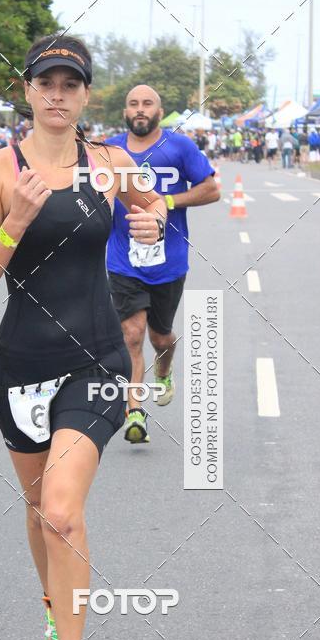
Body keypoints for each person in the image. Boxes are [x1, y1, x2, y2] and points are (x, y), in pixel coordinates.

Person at [0, 35, 166, 640]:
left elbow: (150, 201)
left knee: (62, 510)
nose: (57, 94)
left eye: (70, 84)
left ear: (85, 95)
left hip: (100, 358)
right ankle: (54, 615)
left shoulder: (108, 163)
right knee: (37, 506)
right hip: (20, 365)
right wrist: (16, 219)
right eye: (45, 82)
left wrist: (153, 214)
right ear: (27, 91)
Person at [105, 85, 220, 443]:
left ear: (159, 110)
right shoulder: (108, 149)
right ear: (125, 111)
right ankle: (135, 412)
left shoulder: (179, 146)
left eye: (147, 104)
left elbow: (211, 189)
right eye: (133, 103)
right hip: (123, 259)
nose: (140, 109)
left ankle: (165, 369)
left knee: (160, 336)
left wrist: (166, 202)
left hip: (169, 261)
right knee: (131, 334)